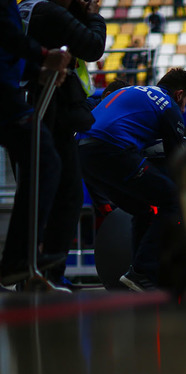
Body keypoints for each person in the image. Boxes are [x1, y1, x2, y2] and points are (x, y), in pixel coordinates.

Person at [77, 68, 186, 291]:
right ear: (179, 94)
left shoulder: (136, 92)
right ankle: (142, 271)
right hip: (111, 149)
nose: (184, 109)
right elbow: (175, 162)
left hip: (84, 153)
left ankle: (136, 276)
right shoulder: (168, 105)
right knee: (174, 201)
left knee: (143, 209)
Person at [20, 0, 106, 290]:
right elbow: (93, 47)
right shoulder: (50, 12)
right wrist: (94, 17)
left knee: (42, 193)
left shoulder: (30, 8)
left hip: (36, 109)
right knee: (62, 193)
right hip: (48, 112)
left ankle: (37, 273)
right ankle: (42, 273)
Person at [0, 0, 72, 287]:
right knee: (44, 158)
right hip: (4, 97)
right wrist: (44, 55)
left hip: (7, 93)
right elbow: (5, 34)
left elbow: (7, 50)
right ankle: (19, 256)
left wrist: (36, 70)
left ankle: (21, 257)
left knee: (39, 158)